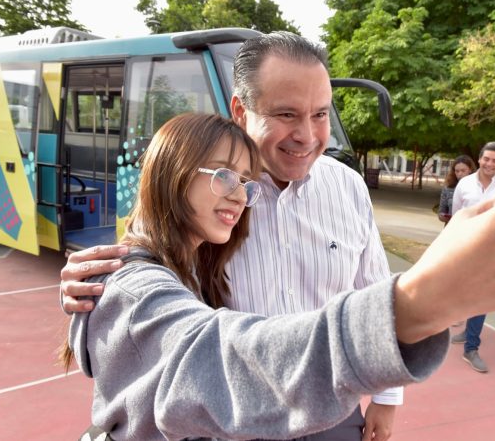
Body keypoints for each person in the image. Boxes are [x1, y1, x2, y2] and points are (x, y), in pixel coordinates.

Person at [63, 32, 401, 441]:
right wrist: (96, 288)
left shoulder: (349, 188)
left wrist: (386, 395)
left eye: (320, 114)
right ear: (241, 110)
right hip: (234, 417)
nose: (308, 136)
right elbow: (155, 275)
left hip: (331, 409)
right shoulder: (209, 200)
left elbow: (375, 291)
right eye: (287, 114)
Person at [450, 142, 495, 373]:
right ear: (480, 158)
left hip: (492, 249)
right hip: (466, 246)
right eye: (486, 159)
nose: (490, 164)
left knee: (482, 296)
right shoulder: (464, 184)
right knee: (466, 291)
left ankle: (471, 348)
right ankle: (468, 331)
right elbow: (457, 215)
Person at [438, 155, 476, 223]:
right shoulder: (448, 188)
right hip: (452, 227)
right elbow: (441, 212)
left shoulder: (478, 187)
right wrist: (444, 217)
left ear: (470, 170)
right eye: (457, 171)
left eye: (463, 170)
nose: (460, 174)